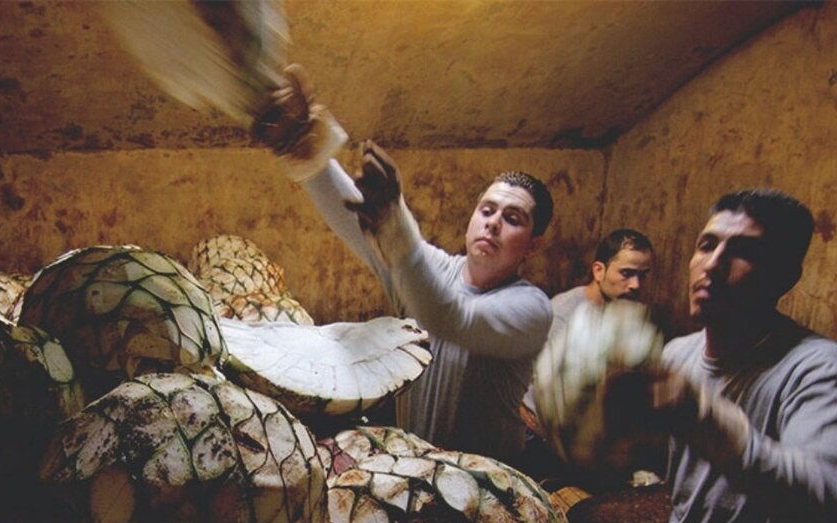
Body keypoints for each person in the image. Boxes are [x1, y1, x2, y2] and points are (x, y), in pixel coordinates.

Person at [253, 66, 555, 464]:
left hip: (488, 488)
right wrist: (304, 145)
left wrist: (395, 225)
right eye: (487, 209)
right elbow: (357, 226)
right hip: (417, 472)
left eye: (513, 218)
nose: (493, 222)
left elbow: (450, 318)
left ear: (532, 246)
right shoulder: (430, 271)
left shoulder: (530, 308)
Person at [650, 188, 837, 523]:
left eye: (744, 252)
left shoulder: (815, 367)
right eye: (706, 245)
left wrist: (720, 432)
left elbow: (827, 493)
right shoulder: (677, 355)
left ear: (784, 277)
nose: (712, 265)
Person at [519, 229, 653, 445]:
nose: (635, 285)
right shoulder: (563, 315)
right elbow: (524, 384)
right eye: (626, 274)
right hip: (536, 438)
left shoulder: (628, 317)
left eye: (643, 275)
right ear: (599, 271)